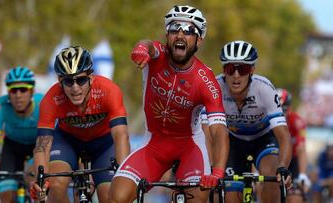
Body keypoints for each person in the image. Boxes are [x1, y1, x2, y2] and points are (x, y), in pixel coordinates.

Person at [108, 5, 229, 203]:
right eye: (174, 28)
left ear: (198, 40)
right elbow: (147, 44)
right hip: (154, 144)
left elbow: (219, 132)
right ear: (167, 34)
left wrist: (217, 172)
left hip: (189, 146)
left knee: (197, 199)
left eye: (189, 31)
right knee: (116, 197)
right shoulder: (157, 55)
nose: (180, 35)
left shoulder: (206, 80)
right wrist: (140, 49)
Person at [30, 46, 130, 203]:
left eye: (81, 80)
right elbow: (42, 145)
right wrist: (40, 181)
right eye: (68, 81)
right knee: (54, 185)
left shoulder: (109, 90)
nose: (75, 88)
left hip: (103, 145)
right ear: (59, 81)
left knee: (113, 196)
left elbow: (120, 135)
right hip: (68, 142)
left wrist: (125, 174)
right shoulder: (51, 99)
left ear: (91, 77)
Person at [216, 40, 292, 202]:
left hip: (263, 139)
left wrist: (283, 167)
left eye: (242, 69)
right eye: (231, 69)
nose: (236, 75)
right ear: (224, 70)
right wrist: (210, 167)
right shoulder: (215, 88)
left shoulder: (264, 89)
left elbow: (284, 136)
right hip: (232, 142)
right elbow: (208, 133)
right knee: (230, 196)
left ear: (252, 70)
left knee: (272, 176)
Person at [0, 66, 43, 202]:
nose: (18, 95)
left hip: (38, 147)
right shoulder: (0, 105)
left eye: (23, 89)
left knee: (37, 188)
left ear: (32, 90)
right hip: (12, 148)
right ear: (8, 92)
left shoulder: (42, 103)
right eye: (13, 90)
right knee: (6, 195)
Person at [277, 88, 311, 203]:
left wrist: (302, 175)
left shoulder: (298, 121)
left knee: (295, 196)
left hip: (294, 160)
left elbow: (301, 148)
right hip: (275, 158)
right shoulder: (266, 121)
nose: (282, 114)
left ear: (290, 108)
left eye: (284, 110)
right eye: (278, 111)